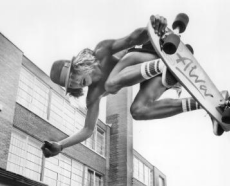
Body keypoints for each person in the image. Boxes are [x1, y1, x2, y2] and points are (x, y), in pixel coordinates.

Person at [42, 15, 202, 158]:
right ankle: (200, 102)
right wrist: (61, 145)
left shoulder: (101, 52)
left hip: (148, 55)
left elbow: (132, 39)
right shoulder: (93, 96)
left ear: (77, 65)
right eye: (71, 85)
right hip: (156, 77)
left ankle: (163, 65)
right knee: (137, 111)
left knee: (111, 84)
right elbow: (87, 130)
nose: (77, 83)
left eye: (73, 77)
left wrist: (152, 28)